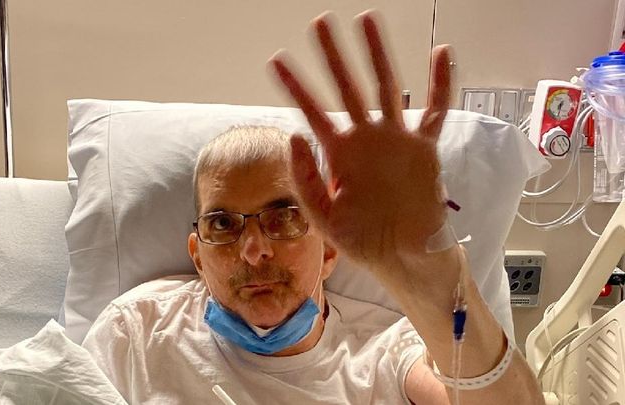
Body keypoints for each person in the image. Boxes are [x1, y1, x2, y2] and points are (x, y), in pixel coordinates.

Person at [82, 10, 545, 405]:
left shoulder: (387, 354)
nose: (254, 250)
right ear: (198, 257)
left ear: (328, 251)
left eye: (283, 217)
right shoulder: (137, 332)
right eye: (223, 224)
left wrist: (437, 279)